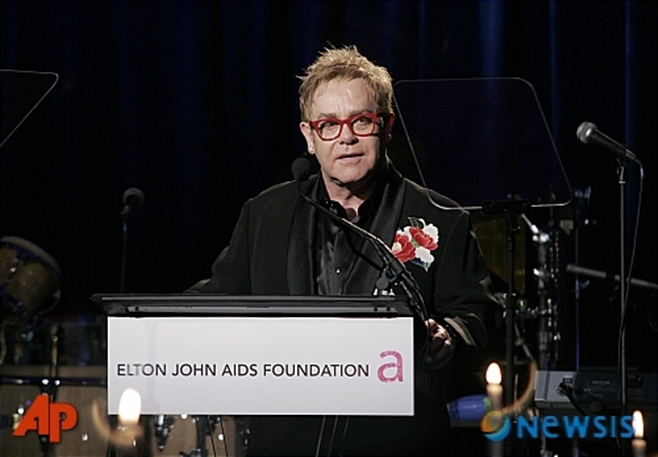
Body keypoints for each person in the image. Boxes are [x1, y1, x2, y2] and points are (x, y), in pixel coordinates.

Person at [189, 45, 501, 456]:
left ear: (387, 126)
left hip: (398, 442)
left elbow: (478, 314)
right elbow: (217, 301)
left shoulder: (442, 217)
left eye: (361, 121)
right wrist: (153, 327)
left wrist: (450, 335)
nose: (347, 137)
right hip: (286, 443)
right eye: (329, 125)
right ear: (309, 137)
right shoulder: (265, 213)